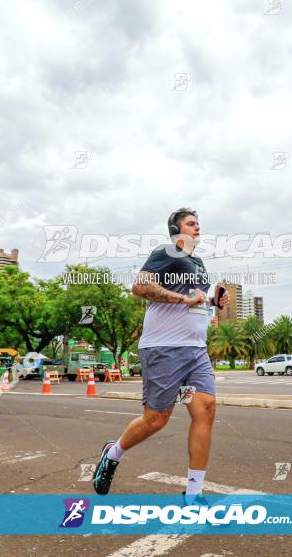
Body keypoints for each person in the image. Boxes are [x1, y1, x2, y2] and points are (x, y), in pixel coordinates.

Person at [92, 208, 228, 504]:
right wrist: (183, 298)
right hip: (164, 347)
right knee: (156, 419)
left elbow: (195, 301)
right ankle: (112, 453)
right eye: (191, 224)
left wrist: (214, 302)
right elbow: (139, 287)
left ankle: (193, 494)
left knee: (206, 409)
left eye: (198, 224)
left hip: (195, 350)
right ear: (176, 231)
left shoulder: (199, 263)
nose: (197, 228)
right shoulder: (167, 252)